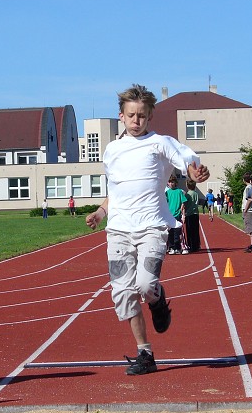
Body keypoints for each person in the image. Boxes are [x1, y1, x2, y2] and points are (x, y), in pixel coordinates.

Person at [85, 84, 209, 376]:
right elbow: (113, 191)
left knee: (144, 285)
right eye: (131, 115)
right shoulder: (112, 150)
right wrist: (101, 213)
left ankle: (157, 299)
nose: (136, 121)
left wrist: (196, 172)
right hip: (118, 231)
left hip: (152, 227)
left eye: (141, 115)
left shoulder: (161, 143)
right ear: (121, 116)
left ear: (150, 116)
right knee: (123, 295)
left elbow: (189, 163)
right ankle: (146, 354)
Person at [165, 175, 188, 254]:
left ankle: (177, 248)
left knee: (177, 233)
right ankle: (171, 247)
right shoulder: (167, 193)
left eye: (173, 182)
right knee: (170, 233)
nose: (171, 184)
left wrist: (183, 214)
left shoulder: (179, 192)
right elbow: (164, 203)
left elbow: (183, 202)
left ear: (176, 183)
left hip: (177, 215)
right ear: (168, 183)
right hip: (169, 215)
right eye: (170, 182)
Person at [184, 179, 201, 252]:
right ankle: (196, 245)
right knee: (196, 230)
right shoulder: (196, 193)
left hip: (189, 214)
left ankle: (191, 245)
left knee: (189, 231)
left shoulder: (187, 194)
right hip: (195, 213)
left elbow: (184, 203)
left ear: (187, 186)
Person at [241, 173, 252, 252]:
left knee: (250, 228)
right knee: (250, 228)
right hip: (251, 210)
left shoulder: (248, 188)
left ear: (244, 180)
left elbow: (249, 199)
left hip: (249, 210)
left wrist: (245, 210)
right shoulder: (251, 187)